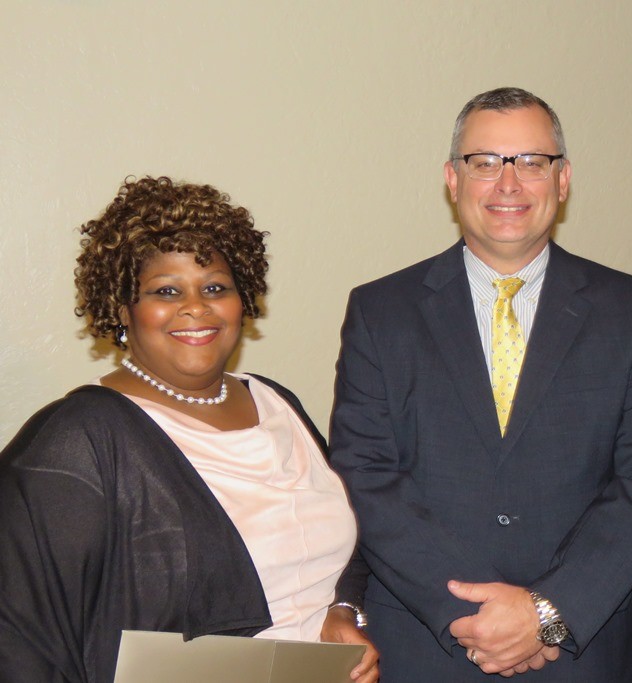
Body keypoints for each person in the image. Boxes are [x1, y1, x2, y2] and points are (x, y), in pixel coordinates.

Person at [330, 87, 632, 681]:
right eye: (485, 162)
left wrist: (547, 612)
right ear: (452, 178)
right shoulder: (379, 311)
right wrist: (467, 616)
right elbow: (366, 473)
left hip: (579, 644)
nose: (508, 183)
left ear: (563, 178)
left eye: (531, 162)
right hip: (430, 642)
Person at [0, 177, 378, 683]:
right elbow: (24, 638)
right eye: (166, 291)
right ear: (121, 309)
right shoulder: (78, 440)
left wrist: (344, 611)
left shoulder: (276, 402)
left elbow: (346, 541)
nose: (196, 307)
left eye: (215, 287)